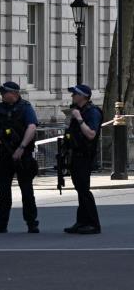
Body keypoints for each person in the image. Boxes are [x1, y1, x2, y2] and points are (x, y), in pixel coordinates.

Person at [0, 81, 40, 233]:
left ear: (14, 93)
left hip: (23, 156)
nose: (2, 94)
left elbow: (32, 127)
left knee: (26, 191)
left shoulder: (25, 108)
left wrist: (21, 148)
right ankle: (1, 224)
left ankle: (31, 223)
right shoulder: (0, 108)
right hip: (5, 155)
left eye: (4, 92)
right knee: (3, 192)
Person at [63, 84, 102, 234]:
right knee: (80, 189)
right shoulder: (78, 111)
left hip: (85, 156)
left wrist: (79, 119)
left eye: (75, 94)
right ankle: (82, 222)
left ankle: (93, 224)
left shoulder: (92, 112)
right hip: (76, 154)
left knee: (84, 190)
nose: (72, 96)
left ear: (83, 96)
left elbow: (91, 134)